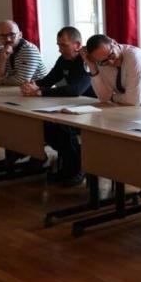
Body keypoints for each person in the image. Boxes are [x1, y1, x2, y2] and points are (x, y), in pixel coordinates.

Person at [19, 27, 95, 186]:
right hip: (74, 107)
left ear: (77, 45)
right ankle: (68, 164)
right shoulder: (63, 59)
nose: (60, 49)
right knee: (46, 125)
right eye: (58, 45)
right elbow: (49, 79)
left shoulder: (87, 60)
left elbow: (75, 90)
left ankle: (76, 169)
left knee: (62, 128)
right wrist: (31, 85)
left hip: (94, 109)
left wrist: (39, 92)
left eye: (64, 45)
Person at [81, 34, 141, 107]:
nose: (111, 62)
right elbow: (104, 98)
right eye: (103, 61)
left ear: (114, 43)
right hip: (126, 109)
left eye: (111, 55)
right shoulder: (102, 61)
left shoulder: (135, 57)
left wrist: (113, 97)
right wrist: (92, 67)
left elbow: (133, 101)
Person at [0, 20, 47, 85]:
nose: (8, 39)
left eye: (12, 34)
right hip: (17, 89)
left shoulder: (29, 49)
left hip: (41, 90)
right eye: (2, 36)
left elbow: (21, 81)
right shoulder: (0, 50)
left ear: (20, 35)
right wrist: (2, 59)